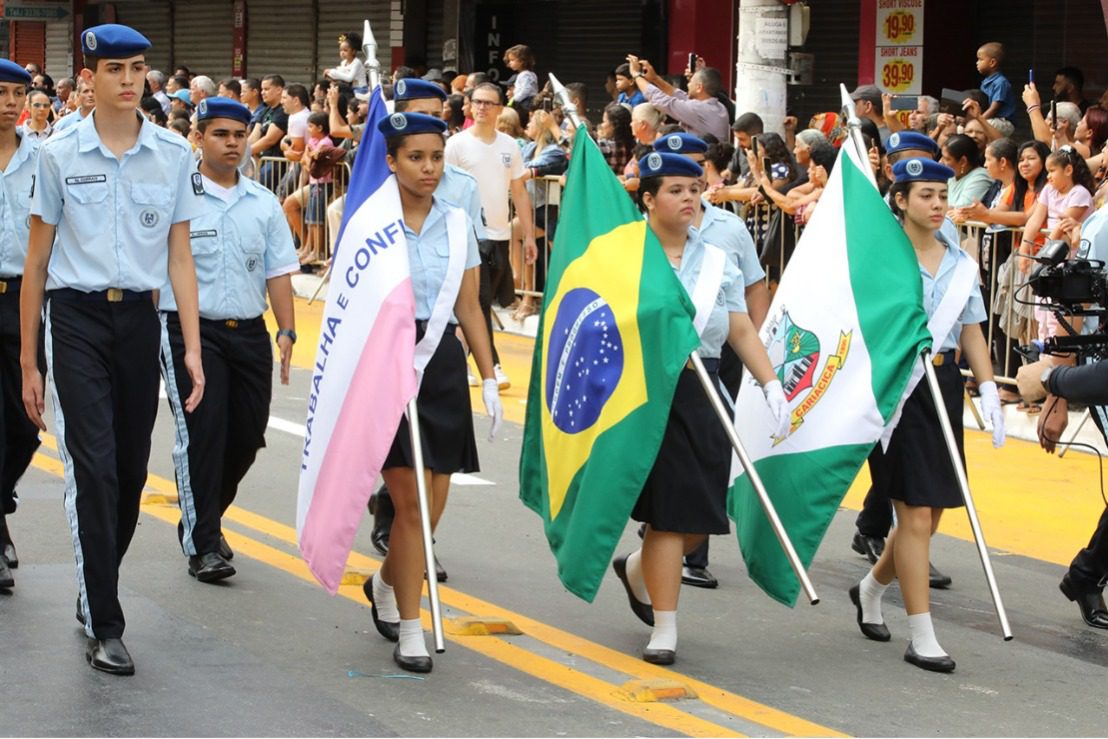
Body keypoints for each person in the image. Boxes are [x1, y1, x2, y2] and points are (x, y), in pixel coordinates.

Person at [21, 23, 206, 676]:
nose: (129, 81)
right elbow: (37, 261)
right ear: (90, 77)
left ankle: (94, 579)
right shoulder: (57, 153)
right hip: (74, 318)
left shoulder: (173, 154)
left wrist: (191, 347)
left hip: (140, 321)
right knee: (94, 468)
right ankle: (105, 619)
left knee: (129, 473)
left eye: (136, 69)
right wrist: (29, 360)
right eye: (115, 70)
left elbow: (180, 257)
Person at [611, 151, 789, 665]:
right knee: (670, 514)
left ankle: (638, 567)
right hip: (649, 392)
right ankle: (664, 626)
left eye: (694, 189)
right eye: (676, 190)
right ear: (648, 199)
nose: (689, 198)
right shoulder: (626, 252)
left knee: (700, 516)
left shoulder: (716, 259)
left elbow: (739, 328)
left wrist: (770, 383)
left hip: (705, 392)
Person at [850, 157, 1005, 674]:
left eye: (942, 195)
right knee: (913, 513)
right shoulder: (880, 258)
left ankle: (871, 588)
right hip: (897, 388)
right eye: (926, 196)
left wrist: (989, 387)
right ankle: (922, 635)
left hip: (943, 386)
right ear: (900, 201)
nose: (938, 205)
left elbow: (971, 329)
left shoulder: (958, 261)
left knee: (932, 512)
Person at [361, 112, 501, 674]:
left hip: (440, 363)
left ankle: (384, 581)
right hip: (387, 363)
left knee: (431, 509)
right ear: (391, 161)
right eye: (416, 157)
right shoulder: (370, 222)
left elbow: (469, 306)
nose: (428, 168)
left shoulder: (457, 223)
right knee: (412, 505)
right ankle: (411, 627)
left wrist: (488, 375)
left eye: (437, 157)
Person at [159, 97, 296, 582]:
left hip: (249, 333)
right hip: (190, 331)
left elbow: (279, 271)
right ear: (199, 138)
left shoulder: (262, 203)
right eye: (220, 134)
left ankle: (205, 514)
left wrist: (286, 329)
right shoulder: (178, 199)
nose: (233, 143)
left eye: (239, 135)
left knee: (246, 435)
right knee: (204, 433)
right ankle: (202, 544)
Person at [445, 82, 537, 390]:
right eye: (477, 102)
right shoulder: (456, 145)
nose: (482, 107)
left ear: (500, 108)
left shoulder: (510, 146)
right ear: (469, 105)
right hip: (468, 234)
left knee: (480, 302)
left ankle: (459, 359)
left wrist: (529, 236)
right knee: (480, 300)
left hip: (499, 235)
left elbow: (519, 191)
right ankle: (492, 366)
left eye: (489, 103)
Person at [0, 60, 42, 591]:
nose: (10, 103)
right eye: (1, 93)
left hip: (24, 301)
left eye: (17, 94)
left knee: (25, 424)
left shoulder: (42, 158)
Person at [626, 55, 728, 142]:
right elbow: (678, 95)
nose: (688, 85)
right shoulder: (719, 107)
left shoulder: (699, 109)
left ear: (699, 87)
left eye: (690, 82)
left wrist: (636, 75)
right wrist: (655, 78)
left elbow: (662, 101)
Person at [975, 42, 1015, 121]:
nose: (977, 63)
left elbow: (994, 109)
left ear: (992, 62)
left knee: (975, 126)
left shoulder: (1000, 82)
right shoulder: (985, 82)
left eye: (980, 59)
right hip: (989, 119)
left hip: (1002, 121)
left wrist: (979, 121)